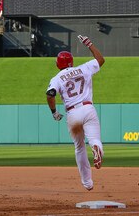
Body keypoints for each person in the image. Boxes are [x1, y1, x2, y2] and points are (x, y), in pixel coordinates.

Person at [46, 35, 105, 191]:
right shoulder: (83, 68)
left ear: (58, 64)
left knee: (79, 148)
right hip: (88, 108)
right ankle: (96, 147)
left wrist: (54, 112)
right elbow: (101, 60)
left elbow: (50, 94)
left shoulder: (57, 78)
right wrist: (89, 43)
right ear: (71, 61)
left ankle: (88, 183)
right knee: (94, 139)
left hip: (73, 114)